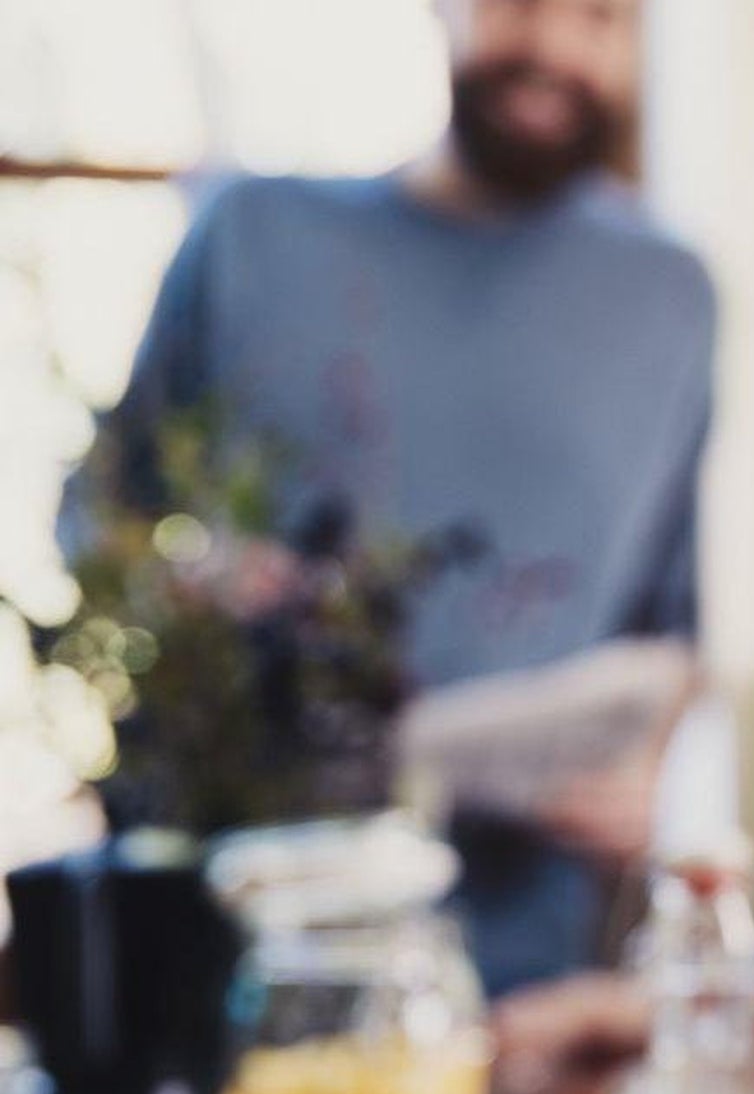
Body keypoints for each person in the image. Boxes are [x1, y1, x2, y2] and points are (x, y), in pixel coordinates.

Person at [63, 0, 720, 996]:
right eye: (519, 5)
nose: (552, 45)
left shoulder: (671, 298)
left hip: (522, 969)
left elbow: (672, 622)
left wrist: (640, 774)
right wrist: (196, 578)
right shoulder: (255, 237)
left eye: (598, 15)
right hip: (235, 933)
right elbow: (99, 519)